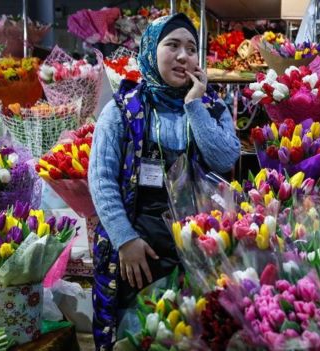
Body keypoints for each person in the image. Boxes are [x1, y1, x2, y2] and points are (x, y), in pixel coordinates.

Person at [88, 13, 240, 350]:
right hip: (138, 252)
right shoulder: (121, 110)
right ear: (151, 50)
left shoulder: (213, 108)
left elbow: (225, 159)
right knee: (137, 334)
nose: (183, 56)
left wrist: (194, 105)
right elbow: (101, 180)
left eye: (190, 47)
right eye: (172, 45)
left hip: (199, 251)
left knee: (194, 335)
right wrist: (125, 240)